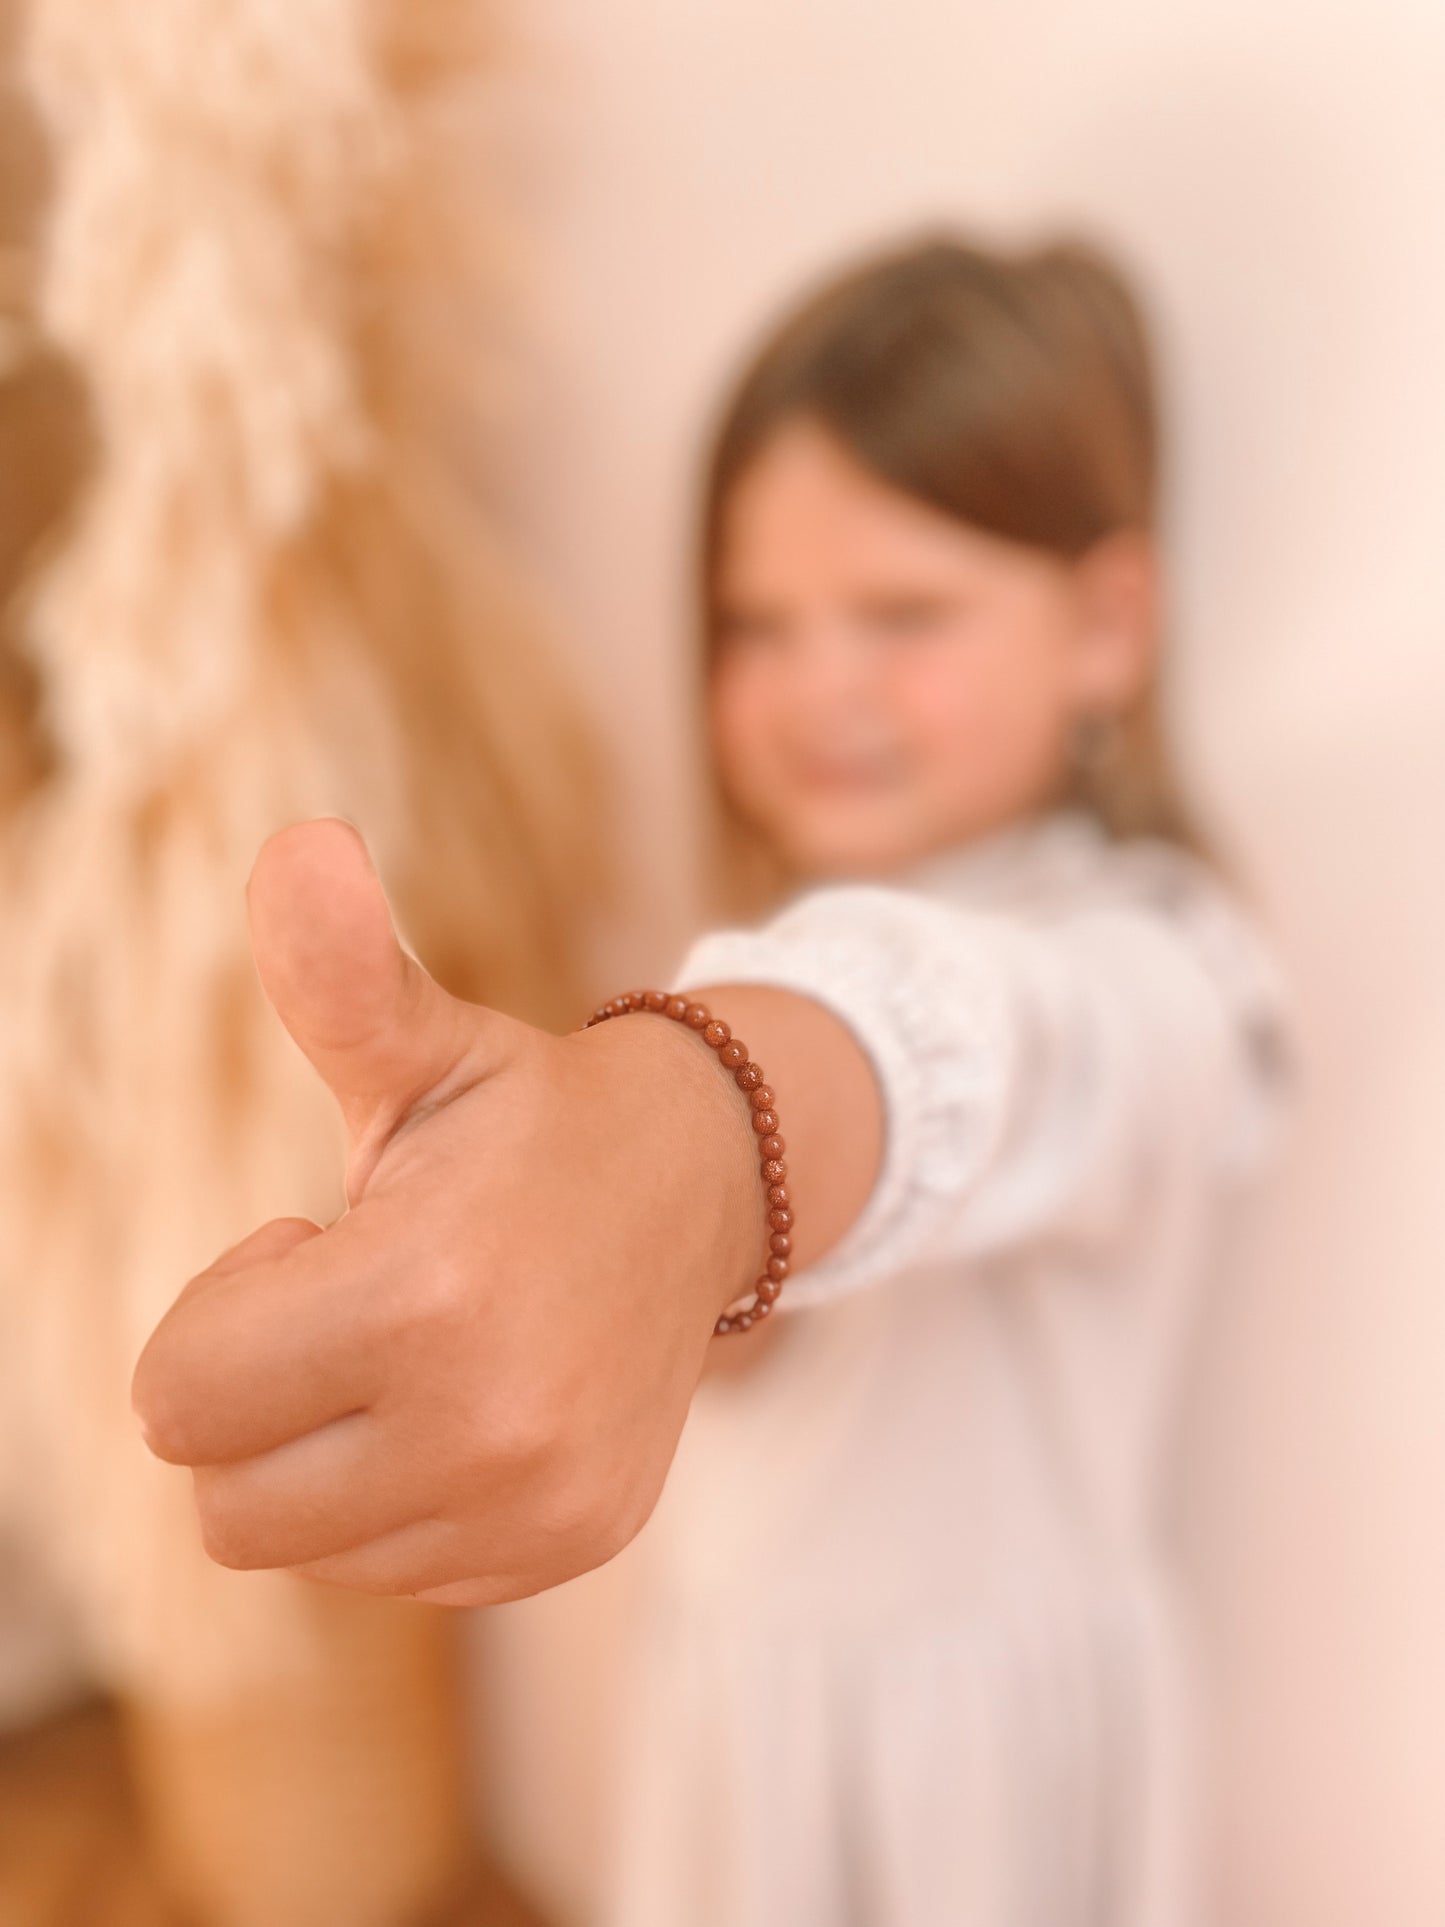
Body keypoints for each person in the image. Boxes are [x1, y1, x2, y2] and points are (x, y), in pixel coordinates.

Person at [131, 233, 1295, 1927]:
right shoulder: (749, 958)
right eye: (757, 623)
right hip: (737, 1716)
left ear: (1108, 626)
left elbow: (971, 1037)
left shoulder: (1172, 970)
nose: (820, 687)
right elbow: (764, 1332)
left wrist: (689, 1129)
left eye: (903, 615)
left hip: (982, 1789)